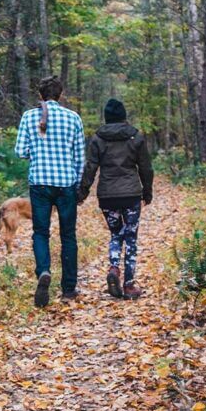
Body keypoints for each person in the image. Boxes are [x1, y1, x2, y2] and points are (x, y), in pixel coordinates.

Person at [14, 76, 85, 308]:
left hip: (40, 183)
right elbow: (80, 158)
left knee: (41, 232)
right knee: (68, 235)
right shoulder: (73, 118)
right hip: (66, 183)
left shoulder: (28, 116)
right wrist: (78, 187)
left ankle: (44, 271)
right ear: (60, 94)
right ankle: (68, 289)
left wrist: (37, 150)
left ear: (40, 95)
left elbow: (20, 152)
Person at [78, 99, 153, 300]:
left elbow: (91, 167)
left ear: (106, 117)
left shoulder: (97, 139)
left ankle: (113, 268)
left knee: (115, 234)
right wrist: (147, 191)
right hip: (131, 195)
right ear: (123, 116)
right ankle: (128, 285)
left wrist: (82, 192)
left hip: (108, 196)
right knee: (130, 238)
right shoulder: (135, 136)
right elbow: (145, 166)